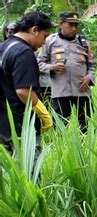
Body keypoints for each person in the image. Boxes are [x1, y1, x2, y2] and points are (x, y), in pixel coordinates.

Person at [0, 12, 53, 152]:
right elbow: (24, 91)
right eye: (44, 36)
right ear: (34, 30)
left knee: (9, 171)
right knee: (28, 171)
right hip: (21, 127)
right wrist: (43, 113)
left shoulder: (4, 46)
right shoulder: (24, 52)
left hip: (4, 124)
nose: (44, 42)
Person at [37, 11, 96, 133]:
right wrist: (52, 67)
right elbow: (38, 63)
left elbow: (92, 65)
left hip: (82, 91)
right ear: (61, 24)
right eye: (70, 25)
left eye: (76, 25)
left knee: (88, 126)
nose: (74, 28)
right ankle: (62, 150)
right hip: (60, 91)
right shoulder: (50, 41)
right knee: (60, 127)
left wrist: (89, 77)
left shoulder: (83, 42)